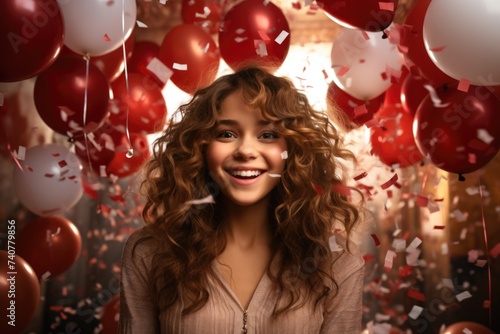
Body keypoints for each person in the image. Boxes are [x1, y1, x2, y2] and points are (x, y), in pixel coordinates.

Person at [119, 66, 365, 333]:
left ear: (293, 150)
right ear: (200, 147)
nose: (246, 150)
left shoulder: (336, 260)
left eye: (267, 135)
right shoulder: (150, 252)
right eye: (226, 134)